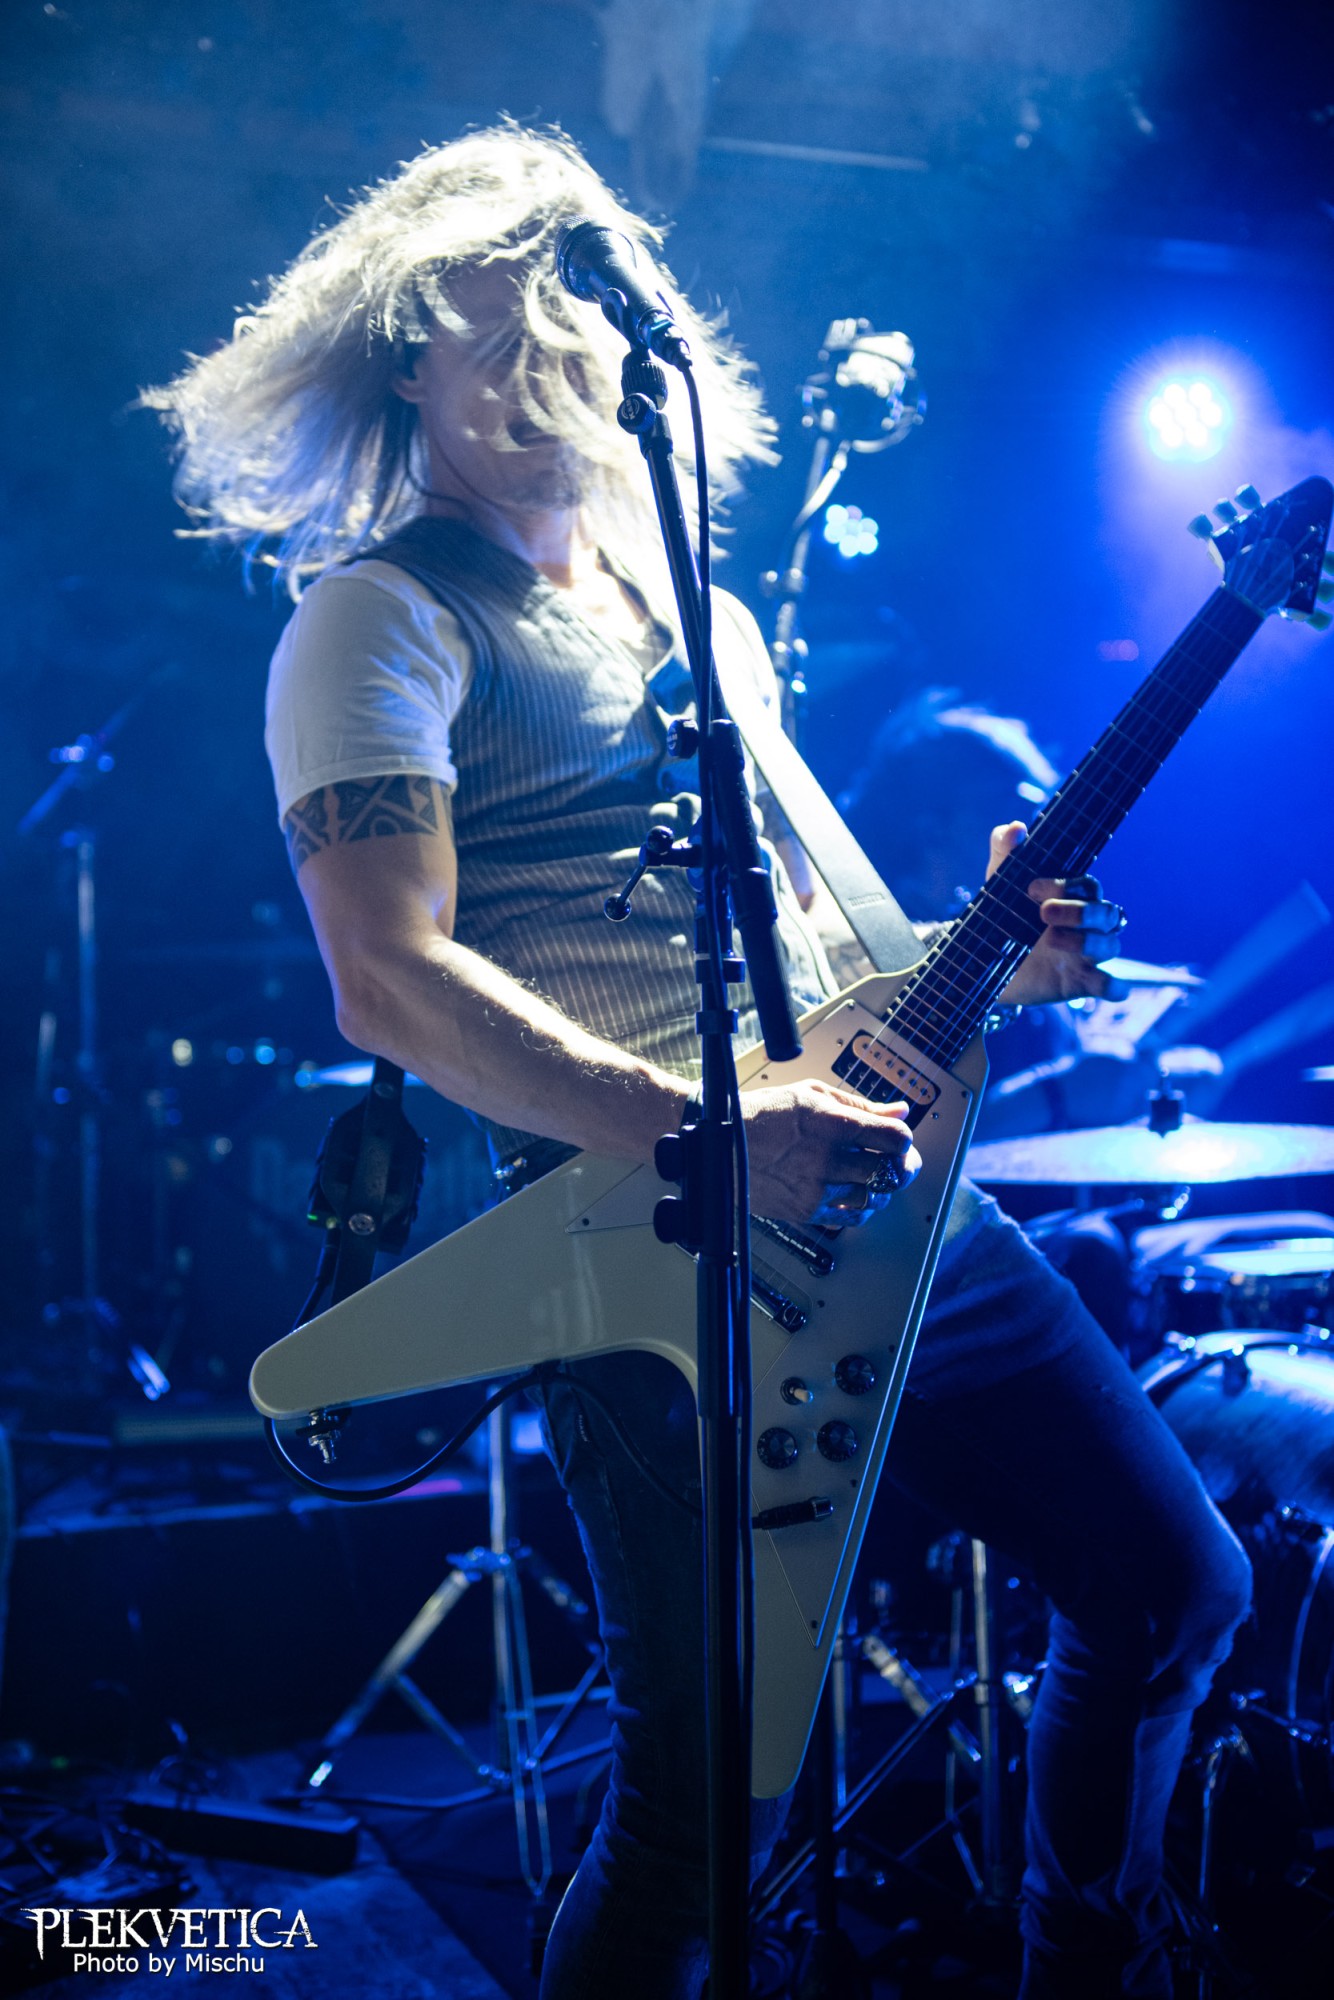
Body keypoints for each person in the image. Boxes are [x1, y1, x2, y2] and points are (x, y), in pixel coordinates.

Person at [147, 125, 1251, 2000]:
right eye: (487, 337)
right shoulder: (377, 619)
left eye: (566, 330)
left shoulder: (700, 616)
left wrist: (992, 963)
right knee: (707, 1818)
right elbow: (385, 979)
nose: (536, 372)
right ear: (402, 361)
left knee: (1171, 1590)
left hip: (892, 1217)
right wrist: (712, 1134)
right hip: (646, 1250)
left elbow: (811, 961)